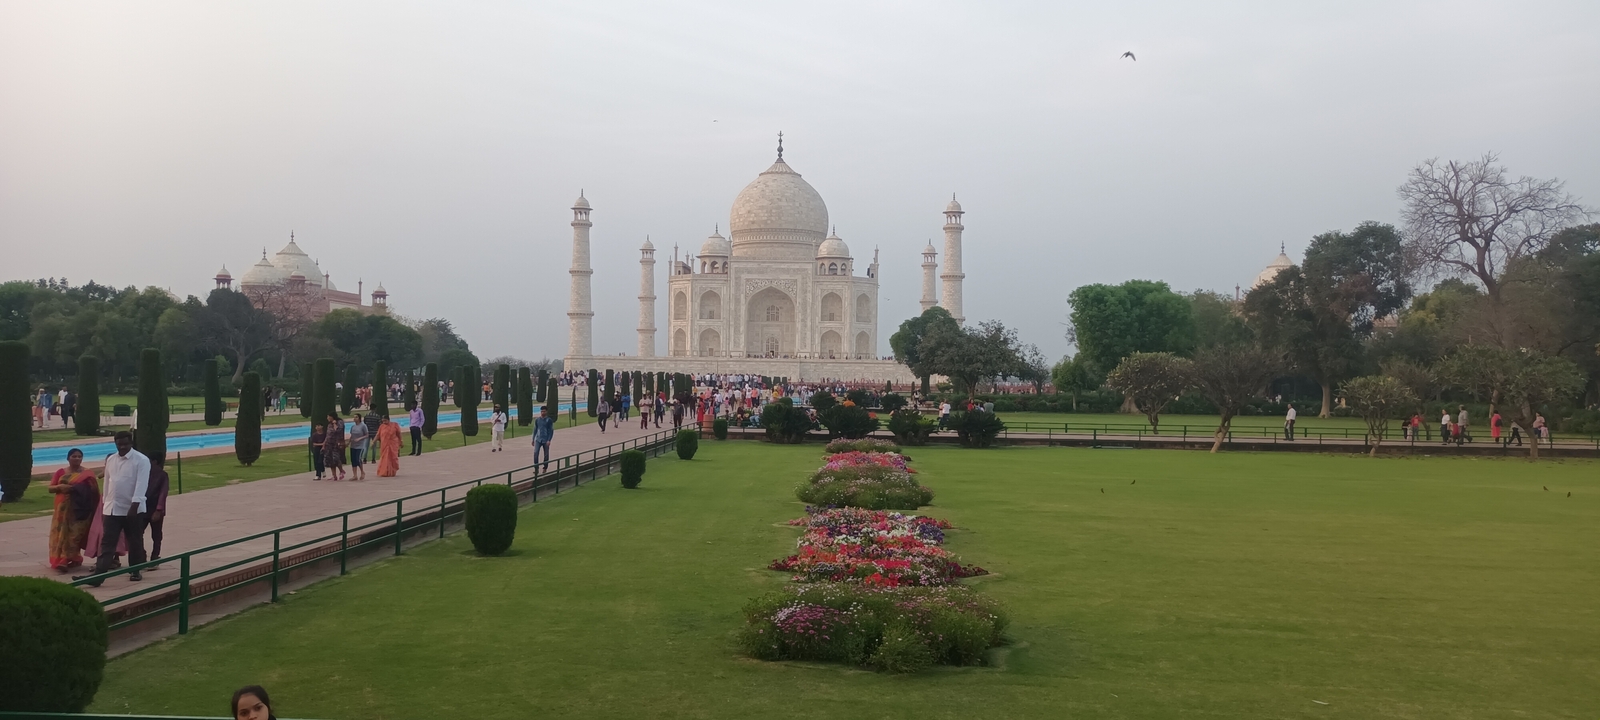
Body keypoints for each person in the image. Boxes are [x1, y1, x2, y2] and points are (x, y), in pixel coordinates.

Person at [75, 431, 149, 585]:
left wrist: (134, 506)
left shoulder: (141, 460)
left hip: (133, 509)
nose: (122, 447)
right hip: (113, 509)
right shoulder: (111, 460)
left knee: (134, 541)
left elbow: (141, 485)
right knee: (107, 543)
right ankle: (98, 576)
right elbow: (107, 484)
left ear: (131, 443)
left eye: (125, 444)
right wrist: (105, 507)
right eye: (119, 444)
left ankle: (135, 571)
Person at [46, 448, 98, 572]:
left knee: (75, 534)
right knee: (61, 534)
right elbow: (50, 488)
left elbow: (94, 491)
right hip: (62, 509)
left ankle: (73, 557)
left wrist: (79, 489)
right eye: (74, 456)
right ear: (68, 458)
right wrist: (60, 486)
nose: (77, 459)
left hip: (81, 508)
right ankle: (62, 559)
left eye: (79, 456)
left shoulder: (88, 474)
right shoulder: (61, 472)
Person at [145, 454, 170, 564]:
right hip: (143, 508)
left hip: (155, 508)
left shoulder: (162, 475)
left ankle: (155, 555)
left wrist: (159, 509)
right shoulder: (143, 473)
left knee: (156, 533)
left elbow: (163, 493)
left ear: (154, 461)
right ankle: (141, 554)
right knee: (137, 532)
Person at [324, 413, 347, 481]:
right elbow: (327, 435)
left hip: (336, 444)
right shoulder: (329, 425)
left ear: (332, 417)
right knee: (330, 460)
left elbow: (337, 430)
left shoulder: (340, 423)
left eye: (328, 416)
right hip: (329, 444)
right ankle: (334, 475)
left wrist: (334, 424)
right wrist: (324, 444)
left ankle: (341, 470)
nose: (327, 418)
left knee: (336, 458)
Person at [533, 405, 555, 472]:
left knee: (546, 454)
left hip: (545, 439)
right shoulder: (537, 420)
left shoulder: (549, 420)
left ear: (546, 412)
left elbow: (551, 431)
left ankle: (545, 467)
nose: (542, 413)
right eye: (541, 411)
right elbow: (535, 429)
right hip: (538, 439)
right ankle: (536, 468)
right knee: (536, 453)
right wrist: (533, 439)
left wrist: (549, 440)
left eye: (544, 411)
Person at [347, 413, 368, 481]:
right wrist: (348, 442)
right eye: (354, 417)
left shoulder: (363, 426)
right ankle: (355, 475)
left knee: (358, 459)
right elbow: (352, 435)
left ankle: (362, 472)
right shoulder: (353, 427)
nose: (354, 418)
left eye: (356, 417)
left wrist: (360, 438)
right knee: (353, 460)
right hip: (353, 445)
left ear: (359, 418)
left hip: (360, 446)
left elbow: (367, 435)